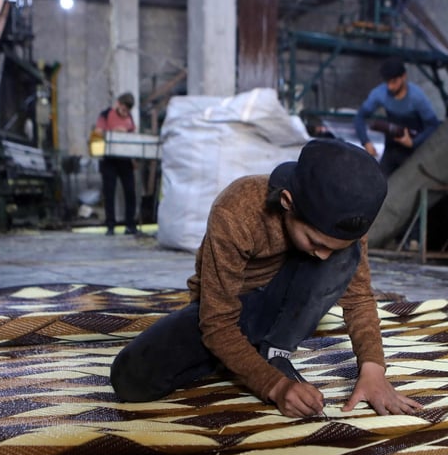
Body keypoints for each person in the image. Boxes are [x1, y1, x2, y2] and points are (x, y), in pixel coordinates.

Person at [111, 138, 422, 419]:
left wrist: (373, 370)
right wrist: (274, 386)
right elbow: (218, 321)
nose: (323, 256)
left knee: (346, 255)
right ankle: (248, 353)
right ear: (287, 202)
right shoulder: (237, 210)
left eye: (332, 247)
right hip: (236, 309)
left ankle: (274, 349)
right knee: (131, 378)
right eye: (315, 242)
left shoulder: (347, 221)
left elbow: (357, 298)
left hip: (288, 306)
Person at [354, 57, 440, 176]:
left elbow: (433, 125)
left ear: (403, 77)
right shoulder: (380, 94)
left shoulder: (417, 97)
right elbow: (360, 117)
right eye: (387, 82)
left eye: (394, 82)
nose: (390, 87)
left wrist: (413, 142)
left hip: (413, 151)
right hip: (391, 148)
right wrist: (366, 142)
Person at [93, 92, 138, 235]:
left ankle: (130, 225)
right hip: (109, 159)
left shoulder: (129, 118)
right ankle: (110, 225)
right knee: (109, 193)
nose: (125, 113)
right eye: (123, 109)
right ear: (118, 104)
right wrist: (113, 132)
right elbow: (98, 132)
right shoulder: (106, 115)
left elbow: (133, 136)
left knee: (130, 192)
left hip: (125, 159)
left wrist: (134, 159)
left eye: (127, 111)